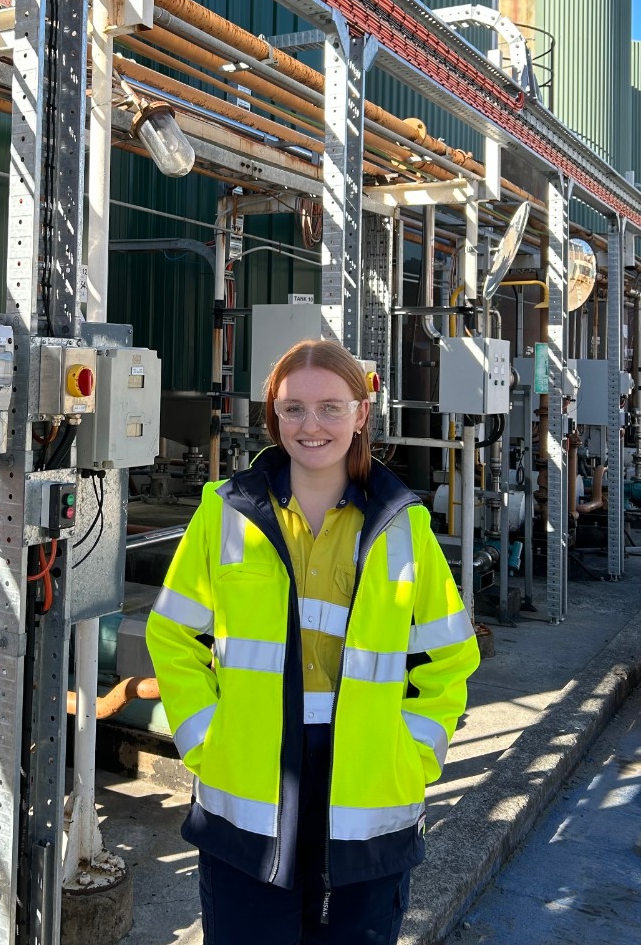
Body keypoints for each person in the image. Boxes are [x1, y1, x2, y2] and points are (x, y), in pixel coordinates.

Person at [146, 339, 480, 945]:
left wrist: (414, 756)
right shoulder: (224, 515)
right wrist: (205, 740)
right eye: (293, 408)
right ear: (273, 416)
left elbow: (449, 656)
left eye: (331, 407)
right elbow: (173, 635)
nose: (311, 425)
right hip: (248, 795)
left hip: (368, 799)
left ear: (360, 415)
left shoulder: (404, 528)